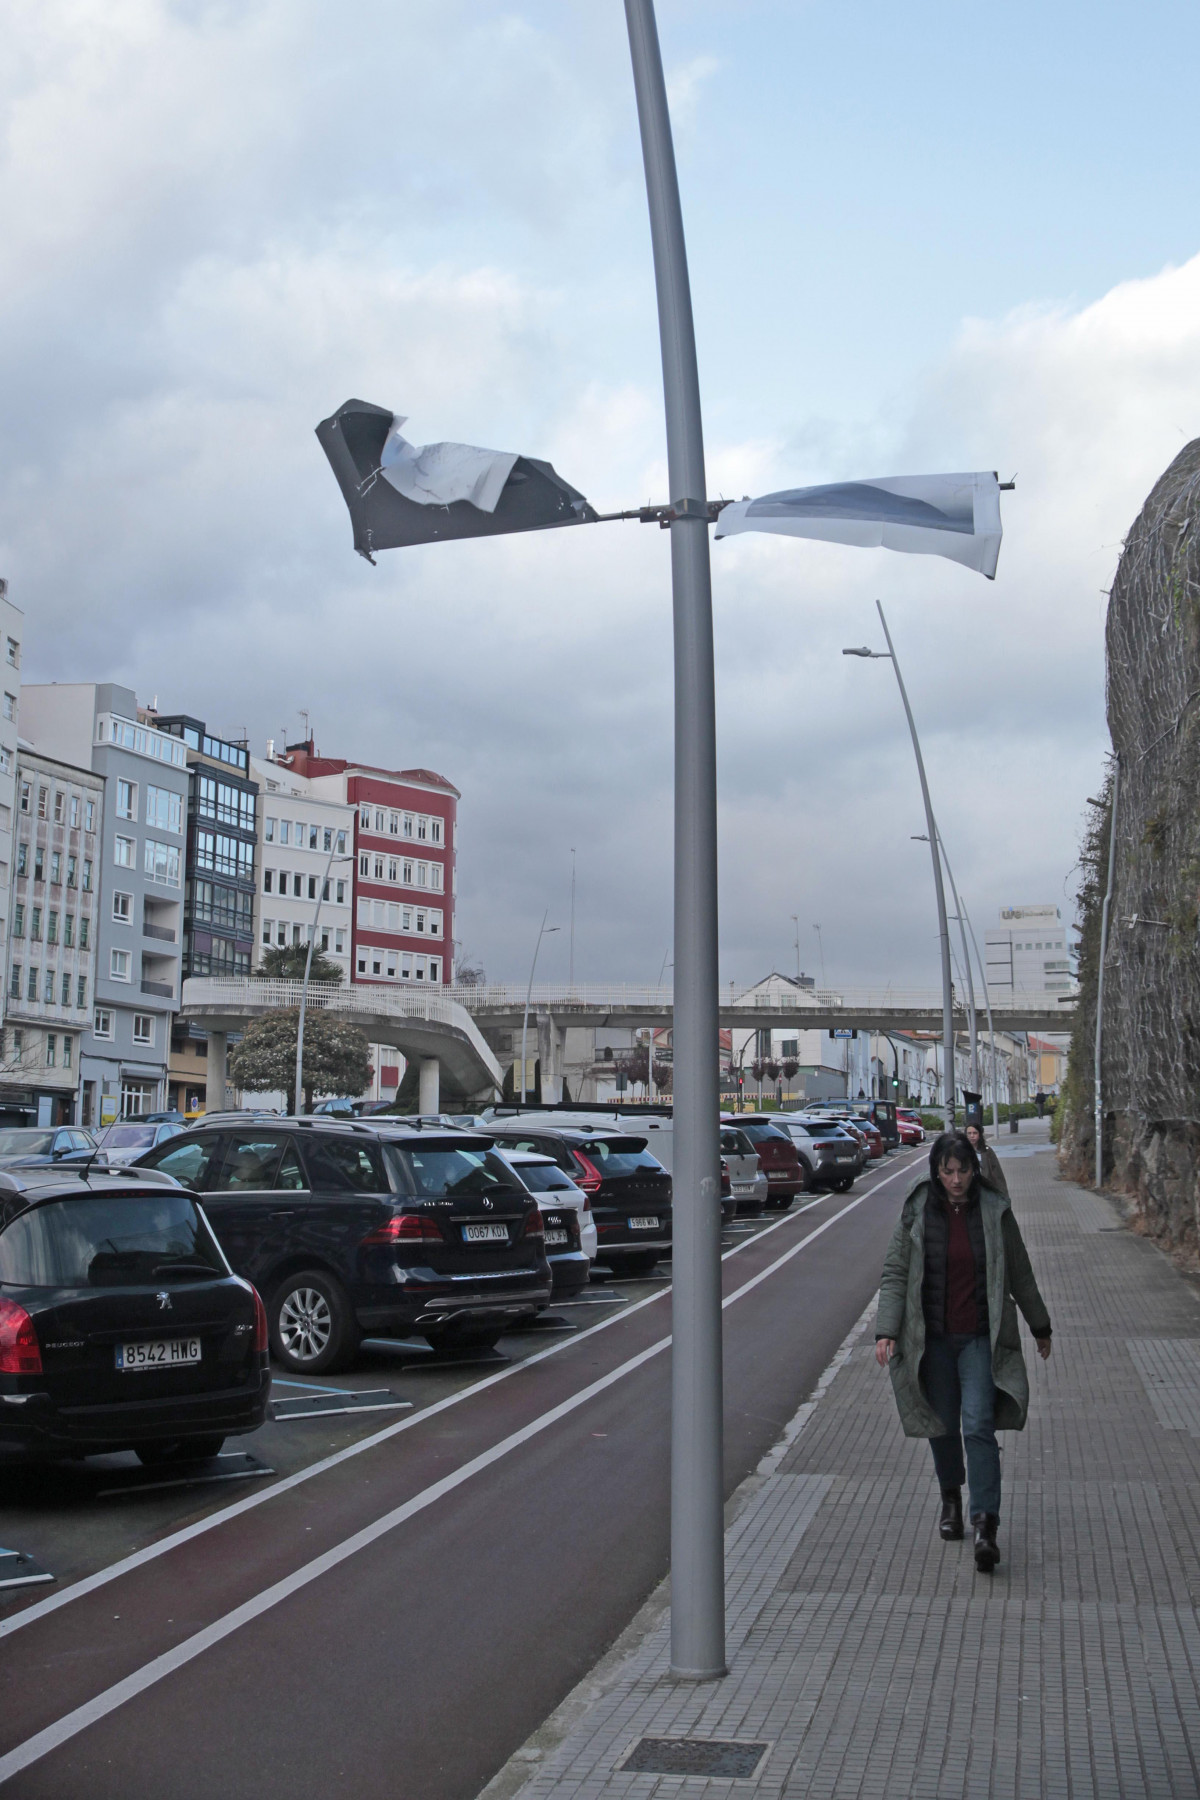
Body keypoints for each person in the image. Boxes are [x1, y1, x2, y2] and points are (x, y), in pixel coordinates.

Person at [874, 1129, 1052, 1572]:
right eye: (948, 1171)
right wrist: (886, 1329)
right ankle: (951, 1498)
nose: (956, 1179)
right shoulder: (918, 1209)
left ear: (975, 1169)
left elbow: (1020, 1271)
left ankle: (985, 1522)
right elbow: (896, 1271)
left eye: (963, 1171)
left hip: (979, 1338)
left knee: (978, 1425)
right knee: (942, 1426)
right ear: (936, 1171)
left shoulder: (993, 1210)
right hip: (931, 1341)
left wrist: (1040, 1325)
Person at [965, 1121, 1008, 1197]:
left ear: (979, 1135)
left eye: (975, 1133)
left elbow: (997, 1173)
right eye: (969, 1133)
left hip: (985, 1191)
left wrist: (1003, 1194)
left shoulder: (987, 1151)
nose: (972, 1136)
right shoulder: (961, 1151)